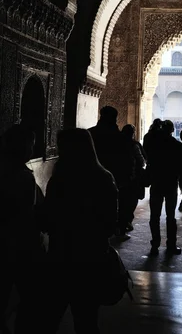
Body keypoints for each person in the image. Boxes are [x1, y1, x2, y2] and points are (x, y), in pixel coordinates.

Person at [41, 128, 118, 334]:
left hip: (60, 257)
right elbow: (110, 224)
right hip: (91, 259)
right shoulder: (103, 178)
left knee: (49, 318)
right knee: (86, 321)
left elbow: (47, 220)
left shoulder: (60, 180)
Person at [0, 124, 45, 334]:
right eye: (30, 145)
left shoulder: (15, 170)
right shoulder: (21, 175)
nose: (32, 150)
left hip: (12, 244)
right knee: (31, 296)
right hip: (19, 246)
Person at [143, 119, 182, 255]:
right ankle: (171, 245)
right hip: (171, 183)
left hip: (156, 182)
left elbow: (148, 158)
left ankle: (155, 244)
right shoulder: (177, 145)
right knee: (170, 216)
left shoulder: (154, 145)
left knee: (154, 215)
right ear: (173, 130)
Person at [89, 106, 131, 239]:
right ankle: (117, 231)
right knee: (114, 208)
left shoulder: (90, 134)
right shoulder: (120, 138)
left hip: (92, 180)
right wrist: (126, 179)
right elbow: (127, 161)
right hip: (115, 180)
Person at [120, 124, 146, 232]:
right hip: (133, 177)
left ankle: (121, 222)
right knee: (131, 200)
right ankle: (126, 221)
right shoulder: (134, 145)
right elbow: (141, 160)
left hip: (120, 176)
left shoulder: (117, 143)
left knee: (122, 200)